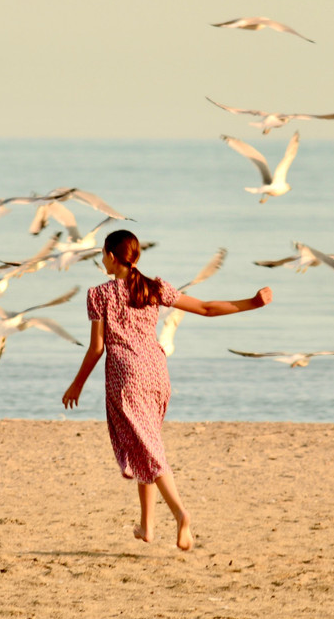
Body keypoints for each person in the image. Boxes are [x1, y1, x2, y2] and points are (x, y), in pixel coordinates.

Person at [62, 230, 271, 551]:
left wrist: (76, 384)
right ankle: (147, 527)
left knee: (148, 448)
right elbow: (206, 308)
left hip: (126, 378)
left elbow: (97, 348)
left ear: (113, 257)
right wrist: (252, 303)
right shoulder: (154, 287)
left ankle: (180, 513)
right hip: (157, 373)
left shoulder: (99, 294)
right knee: (145, 444)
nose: (102, 260)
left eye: (103, 254)